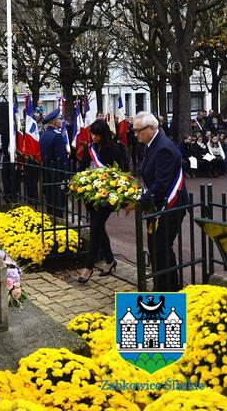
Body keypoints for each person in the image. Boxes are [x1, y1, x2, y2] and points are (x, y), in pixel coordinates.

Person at [134, 111, 188, 292]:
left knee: (161, 248)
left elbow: (161, 184)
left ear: (151, 128)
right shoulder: (151, 144)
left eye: (138, 131)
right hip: (158, 204)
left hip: (169, 205)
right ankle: (167, 286)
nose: (135, 135)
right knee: (159, 248)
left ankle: (165, 289)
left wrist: (138, 203)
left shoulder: (163, 147)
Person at [77, 119, 123, 283]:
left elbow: (120, 172)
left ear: (103, 134)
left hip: (106, 196)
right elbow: (81, 167)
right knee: (98, 227)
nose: (93, 137)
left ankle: (88, 267)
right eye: (92, 133)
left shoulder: (114, 149)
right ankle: (110, 261)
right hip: (91, 195)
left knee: (95, 226)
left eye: (96, 134)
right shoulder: (90, 148)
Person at [40, 109, 69, 217]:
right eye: (60, 119)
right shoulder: (57, 135)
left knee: (50, 199)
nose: (61, 121)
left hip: (47, 170)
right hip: (57, 172)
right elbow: (62, 157)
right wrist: (65, 173)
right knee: (59, 201)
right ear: (54, 122)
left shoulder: (44, 134)